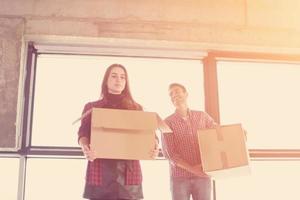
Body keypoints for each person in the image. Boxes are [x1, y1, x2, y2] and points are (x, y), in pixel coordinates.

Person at [77, 63, 159, 200]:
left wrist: (154, 146)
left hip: (129, 171)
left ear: (126, 82)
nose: (118, 80)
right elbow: (83, 133)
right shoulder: (92, 107)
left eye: (122, 77)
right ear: (106, 80)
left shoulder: (136, 108)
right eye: (114, 76)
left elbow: (150, 135)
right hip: (100, 168)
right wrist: (85, 147)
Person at [161, 83, 217, 200]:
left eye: (176, 91)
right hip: (179, 178)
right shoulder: (167, 122)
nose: (174, 95)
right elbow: (170, 154)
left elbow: (217, 130)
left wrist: (238, 131)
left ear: (186, 94)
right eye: (171, 94)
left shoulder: (202, 116)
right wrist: (193, 169)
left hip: (203, 175)